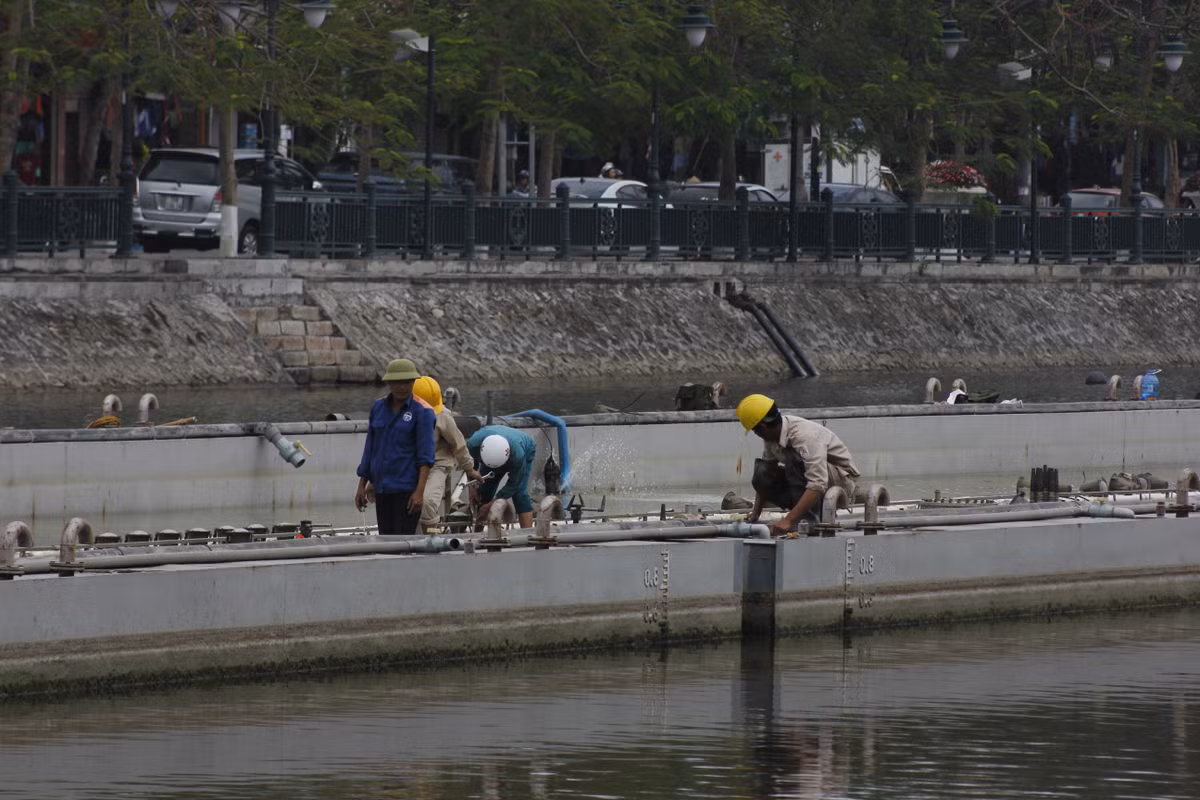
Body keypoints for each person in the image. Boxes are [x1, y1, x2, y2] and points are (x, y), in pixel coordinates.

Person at [736, 393, 861, 537]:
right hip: (813, 478)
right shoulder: (772, 437)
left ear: (763, 427)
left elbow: (818, 483)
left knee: (795, 460)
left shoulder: (804, 437)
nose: (757, 435)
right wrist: (756, 512)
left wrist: (788, 520)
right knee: (762, 471)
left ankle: (809, 519)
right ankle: (802, 513)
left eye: (756, 431)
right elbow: (767, 476)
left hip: (840, 481)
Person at [355, 358, 436, 536]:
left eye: (407, 382)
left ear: (413, 382)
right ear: (389, 383)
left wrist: (419, 492)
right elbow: (370, 449)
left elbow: (426, 457)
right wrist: (363, 484)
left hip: (407, 489)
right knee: (386, 538)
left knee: (403, 540)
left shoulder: (423, 412)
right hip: (382, 488)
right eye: (397, 382)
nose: (402, 387)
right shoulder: (378, 408)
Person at [412, 375, 482, 530]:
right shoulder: (402, 414)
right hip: (411, 464)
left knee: (428, 501)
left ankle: (431, 537)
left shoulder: (442, 416)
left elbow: (458, 443)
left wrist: (469, 468)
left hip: (437, 463)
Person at [466, 425, 537, 529]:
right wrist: (471, 488)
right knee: (484, 493)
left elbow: (514, 484)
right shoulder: (473, 444)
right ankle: (477, 531)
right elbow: (469, 466)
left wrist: (491, 504)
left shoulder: (518, 455)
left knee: (520, 495)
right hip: (491, 458)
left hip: (525, 447)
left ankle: (527, 533)